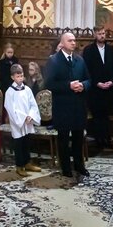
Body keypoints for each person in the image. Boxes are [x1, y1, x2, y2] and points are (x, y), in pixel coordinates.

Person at [44, 32, 92, 178]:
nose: (73, 43)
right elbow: (49, 84)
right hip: (63, 107)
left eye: (74, 40)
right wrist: (68, 85)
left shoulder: (80, 60)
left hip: (78, 106)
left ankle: (79, 166)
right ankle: (65, 168)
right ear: (62, 43)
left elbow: (89, 80)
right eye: (70, 40)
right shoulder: (54, 61)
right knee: (63, 139)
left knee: (78, 139)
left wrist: (83, 85)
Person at [83, 26, 113, 150]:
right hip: (95, 89)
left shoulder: (110, 50)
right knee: (97, 116)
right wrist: (96, 83)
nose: (102, 36)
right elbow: (86, 70)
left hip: (108, 89)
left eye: (103, 33)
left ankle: (107, 139)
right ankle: (99, 141)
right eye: (99, 33)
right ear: (95, 35)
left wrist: (112, 81)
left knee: (106, 116)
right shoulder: (88, 50)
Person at [5, 64, 42, 177]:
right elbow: (10, 109)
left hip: (27, 121)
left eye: (21, 76)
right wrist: (23, 118)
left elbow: (33, 104)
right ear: (12, 77)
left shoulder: (27, 89)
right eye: (18, 76)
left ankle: (27, 163)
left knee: (27, 142)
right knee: (19, 144)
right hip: (18, 122)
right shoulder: (9, 92)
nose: (20, 78)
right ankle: (19, 166)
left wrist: (30, 115)